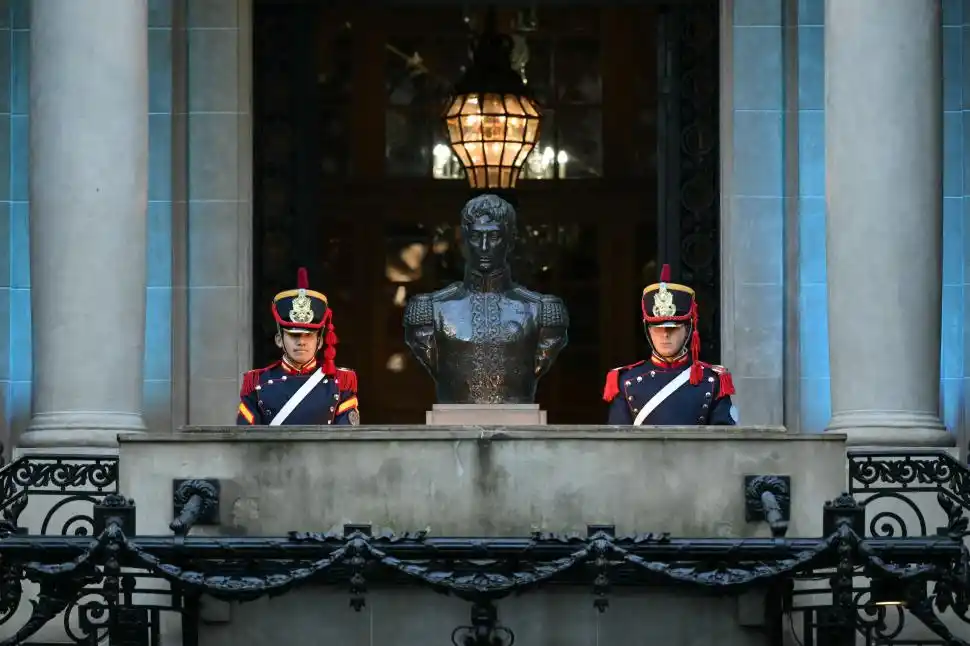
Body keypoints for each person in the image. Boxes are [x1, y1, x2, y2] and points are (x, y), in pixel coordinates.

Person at [603, 264, 737, 426]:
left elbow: (725, 446)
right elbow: (618, 445)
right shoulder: (626, 382)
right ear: (648, 331)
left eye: (673, 329)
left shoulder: (713, 381)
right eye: (658, 329)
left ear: (688, 329)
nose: (665, 335)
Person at [236, 267, 359, 426]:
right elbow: (246, 443)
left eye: (309, 335)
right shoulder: (257, 384)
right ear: (279, 340)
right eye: (294, 335)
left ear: (320, 342)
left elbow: (346, 443)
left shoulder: (340, 384)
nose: (301, 341)